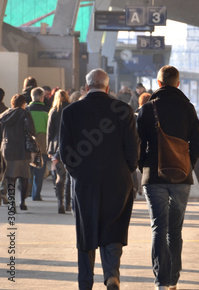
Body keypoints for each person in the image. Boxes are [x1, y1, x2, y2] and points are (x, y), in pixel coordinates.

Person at [60, 68, 140, 290]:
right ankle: (112, 274)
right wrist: (128, 170)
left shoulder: (71, 111)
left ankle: (85, 283)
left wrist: (77, 174)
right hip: (118, 180)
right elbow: (133, 149)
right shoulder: (124, 110)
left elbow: (65, 152)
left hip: (85, 181)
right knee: (114, 227)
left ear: (86, 88)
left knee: (86, 230)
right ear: (107, 88)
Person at [137, 65, 199, 290]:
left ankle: (162, 281)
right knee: (175, 230)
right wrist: (188, 165)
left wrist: (143, 166)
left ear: (158, 83)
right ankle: (173, 279)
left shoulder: (148, 109)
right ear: (178, 83)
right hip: (181, 179)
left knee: (158, 228)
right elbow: (198, 144)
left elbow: (138, 144)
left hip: (154, 177)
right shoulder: (189, 109)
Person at [0, 94, 35, 210]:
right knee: (24, 177)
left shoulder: (4, 115)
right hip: (22, 150)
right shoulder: (25, 114)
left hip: (8, 149)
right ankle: (23, 202)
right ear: (23, 103)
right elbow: (31, 131)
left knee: (11, 177)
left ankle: (11, 203)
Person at [47, 89, 71, 214]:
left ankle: (60, 202)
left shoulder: (53, 111)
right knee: (69, 176)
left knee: (59, 176)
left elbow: (49, 132)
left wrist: (49, 149)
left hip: (56, 147)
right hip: (70, 147)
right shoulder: (72, 109)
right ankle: (68, 204)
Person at [26, 87, 49, 201]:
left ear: (32, 97)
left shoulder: (26, 110)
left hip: (28, 146)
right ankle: (36, 195)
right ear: (41, 97)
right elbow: (49, 129)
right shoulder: (46, 112)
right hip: (42, 146)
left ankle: (27, 192)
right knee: (39, 172)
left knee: (28, 170)